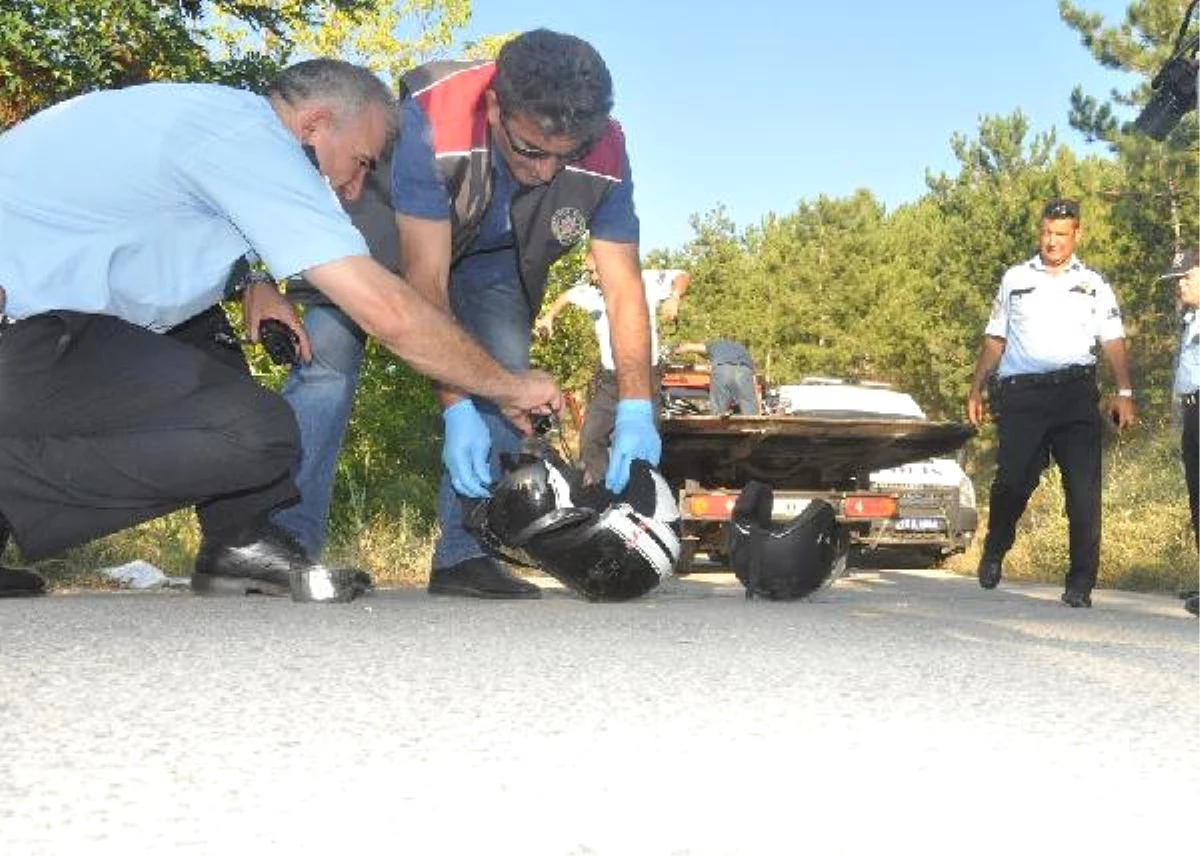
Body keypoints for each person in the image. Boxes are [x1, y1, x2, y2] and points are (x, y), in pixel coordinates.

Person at [0, 59, 560, 601]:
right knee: (259, 434)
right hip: (18, 326)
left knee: (201, 334)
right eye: (361, 161)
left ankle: (238, 540)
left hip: (40, 312)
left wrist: (251, 280)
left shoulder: (211, 121)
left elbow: (152, 231)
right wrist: (507, 387)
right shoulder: (253, 139)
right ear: (315, 123)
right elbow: (386, 310)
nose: (355, 188)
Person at [275, 30, 655, 600]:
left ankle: (465, 554)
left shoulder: (607, 150)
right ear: (496, 106)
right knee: (326, 359)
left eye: (567, 155)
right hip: (385, 242)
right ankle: (281, 546)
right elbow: (424, 279)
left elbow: (623, 286)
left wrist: (635, 404)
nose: (549, 173)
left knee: (507, 374)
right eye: (530, 149)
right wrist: (456, 408)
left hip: (495, 257)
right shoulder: (436, 116)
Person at [966, 198, 1135, 609]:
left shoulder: (1094, 283)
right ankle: (996, 546)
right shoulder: (1015, 278)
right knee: (1013, 481)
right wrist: (977, 387)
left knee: (1083, 492)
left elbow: (1112, 339)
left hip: (1075, 395)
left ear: (1076, 235)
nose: (1052, 241)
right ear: (1039, 232)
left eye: (1061, 234)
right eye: (1046, 232)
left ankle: (1080, 583)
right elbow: (995, 338)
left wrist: (1125, 392)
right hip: (1022, 396)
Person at [535, 250, 690, 483]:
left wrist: (675, 297)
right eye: (589, 273)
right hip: (609, 382)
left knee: (640, 441)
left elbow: (681, 275)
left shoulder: (642, 281)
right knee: (590, 438)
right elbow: (566, 297)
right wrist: (549, 316)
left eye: (596, 271)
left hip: (643, 379)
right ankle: (603, 491)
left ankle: (642, 494)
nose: (593, 277)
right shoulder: (591, 293)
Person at [1159, 248, 1200, 619]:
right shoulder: (1191, 317)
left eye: (1186, 278)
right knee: (1198, 496)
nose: (1180, 286)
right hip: (1192, 410)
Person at [675, 340, 761, 415]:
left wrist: (676, 351)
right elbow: (754, 383)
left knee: (718, 411)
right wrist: (758, 410)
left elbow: (690, 347)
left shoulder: (713, 345)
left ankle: (717, 428)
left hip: (721, 370)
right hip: (744, 371)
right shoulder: (742, 350)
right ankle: (754, 427)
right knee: (750, 411)